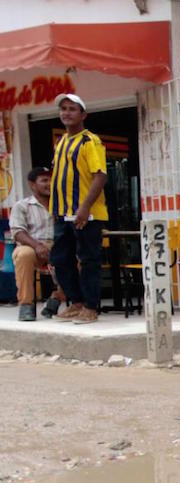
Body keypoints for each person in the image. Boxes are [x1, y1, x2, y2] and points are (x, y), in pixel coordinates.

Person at [49, 93, 108, 324]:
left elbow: (100, 175)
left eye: (72, 109)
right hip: (63, 213)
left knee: (89, 259)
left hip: (87, 213)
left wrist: (84, 207)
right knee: (60, 258)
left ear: (83, 114)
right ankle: (76, 302)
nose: (66, 112)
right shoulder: (61, 142)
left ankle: (91, 307)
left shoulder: (89, 141)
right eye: (63, 108)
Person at [10, 167, 64, 321]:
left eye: (52, 180)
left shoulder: (61, 204)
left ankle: (56, 299)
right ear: (32, 185)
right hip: (32, 247)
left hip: (57, 247)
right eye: (44, 180)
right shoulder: (22, 206)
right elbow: (18, 232)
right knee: (24, 254)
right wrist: (37, 246)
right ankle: (26, 304)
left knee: (80, 257)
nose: (50, 184)